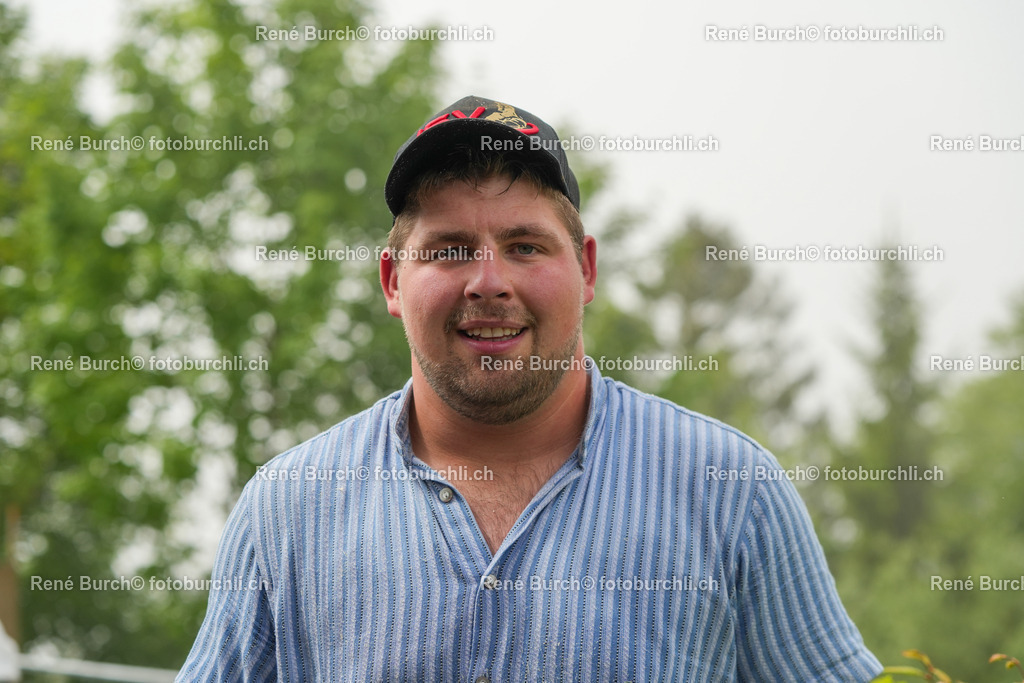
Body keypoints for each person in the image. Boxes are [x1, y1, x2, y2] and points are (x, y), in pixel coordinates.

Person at [177, 96, 882, 682]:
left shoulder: (733, 491)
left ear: (587, 269)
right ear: (393, 281)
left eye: (524, 246)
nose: (489, 281)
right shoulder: (288, 508)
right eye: (450, 249)